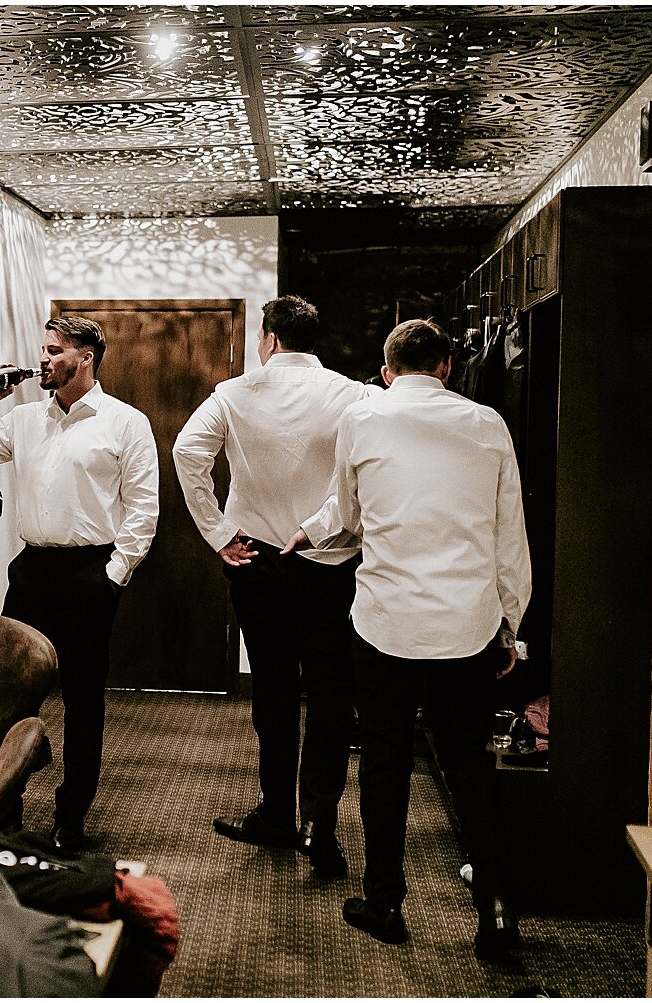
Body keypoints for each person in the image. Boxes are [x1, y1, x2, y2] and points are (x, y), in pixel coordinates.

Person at [284, 318, 532, 959]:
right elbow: (510, 536)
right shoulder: (488, 426)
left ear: (388, 372)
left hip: (386, 621)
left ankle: (385, 903)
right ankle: (499, 915)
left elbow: (348, 513)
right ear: (447, 366)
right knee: (468, 762)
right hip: (467, 623)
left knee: (385, 761)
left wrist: (307, 532)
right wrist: (512, 626)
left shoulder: (363, 421)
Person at [172, 295, 378, 875]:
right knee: (333, 693)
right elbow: (373, 465)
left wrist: (217, 532)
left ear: (268, 339)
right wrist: (321, 524)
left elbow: (188, 452)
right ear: (314, 339)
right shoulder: (356, 395)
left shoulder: (234, 394)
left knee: (274, 690)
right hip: (330, 559)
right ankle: (321, 823)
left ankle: (277, 814)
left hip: (257, 560)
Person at [0, 317, 160, 851]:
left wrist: (113, 575)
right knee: (12, 699)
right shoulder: (21, 419)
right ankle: (8, 808)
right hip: (31, 571)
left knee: (84, 700)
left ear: (86, 357)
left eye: (53, 351)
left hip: (91, 572)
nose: (42, 360)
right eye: (42, 350)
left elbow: (143, 510)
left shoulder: (125, 422)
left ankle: (72, 815)